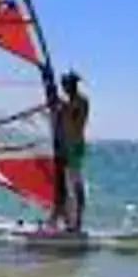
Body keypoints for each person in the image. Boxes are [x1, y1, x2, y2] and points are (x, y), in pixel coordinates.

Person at [58, 70, 89, 232]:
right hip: (67, 147)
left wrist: (62, 106)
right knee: (68, 184)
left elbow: (73, 115)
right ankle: (69, 219)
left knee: (74, 184)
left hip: (74, 147)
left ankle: (76, 223)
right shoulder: (69, 102)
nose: (63, 89)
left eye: (65, 85)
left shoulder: (80, 101)